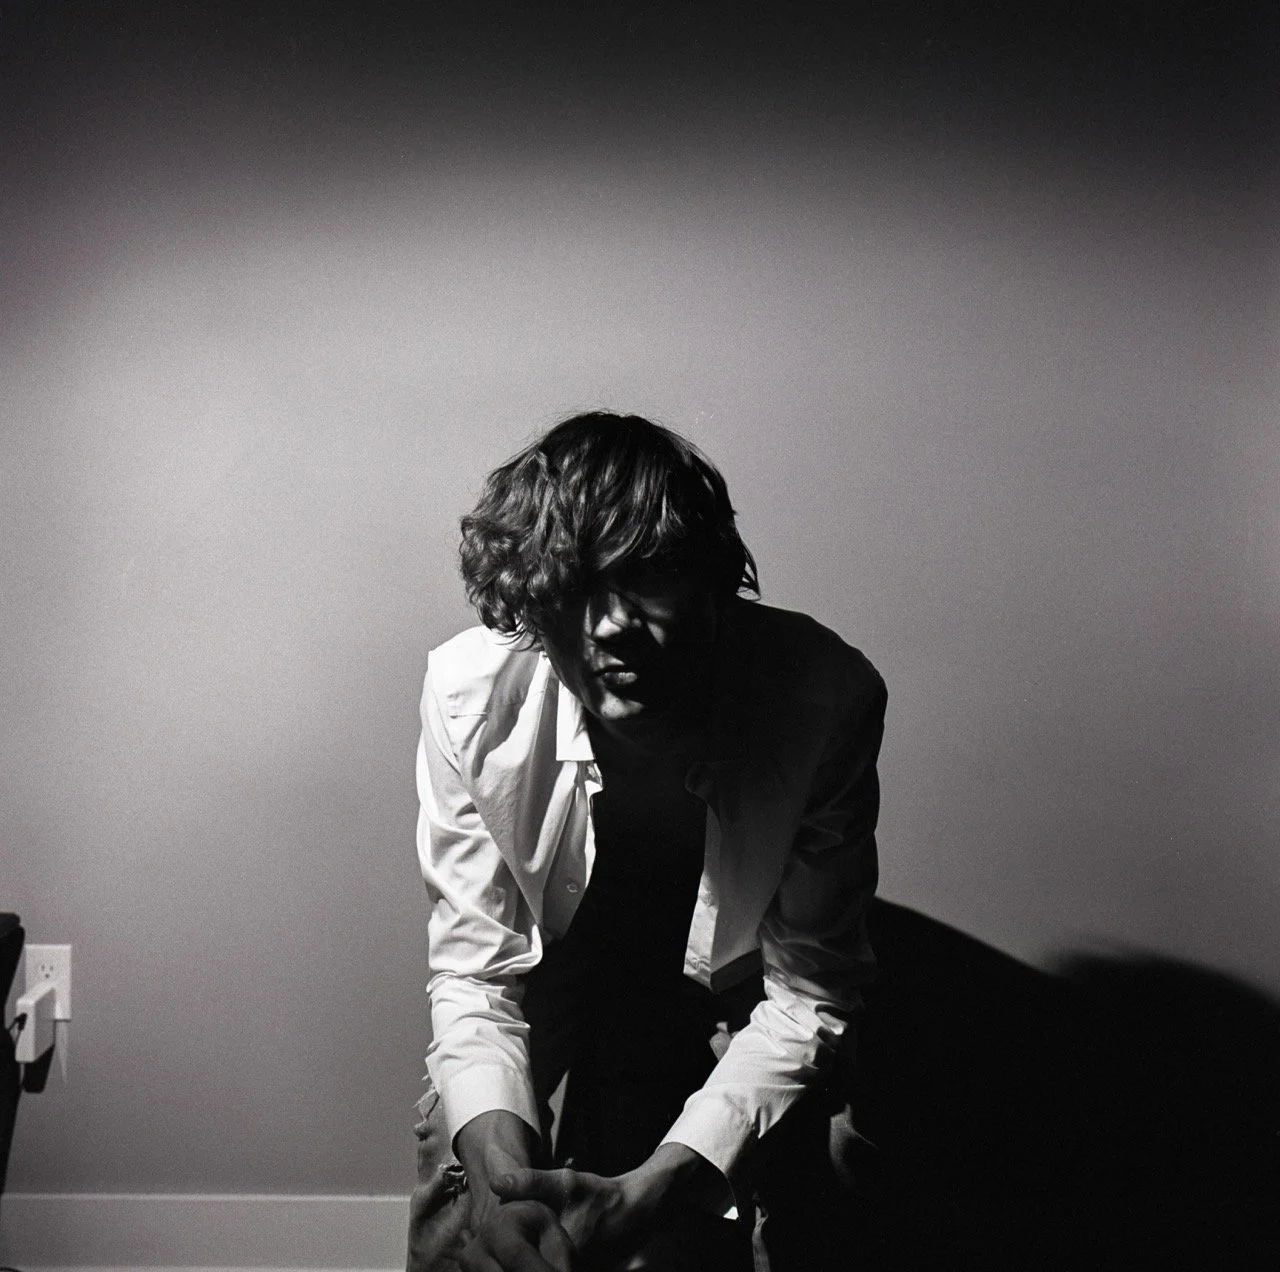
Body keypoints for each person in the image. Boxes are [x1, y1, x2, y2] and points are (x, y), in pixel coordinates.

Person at [408, 412, 886, 1272]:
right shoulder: (464, 696)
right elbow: (478, 973)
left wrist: (648, 1195)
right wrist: (497, 1190)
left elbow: (811, 994)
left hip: (741, 970)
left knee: (835, 1151)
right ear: (522, 597)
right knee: (453, 1153)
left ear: (713, 584)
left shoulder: (824, 699)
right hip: (557, 963)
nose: (612, 624)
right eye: (570, 584)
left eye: (652, 577)